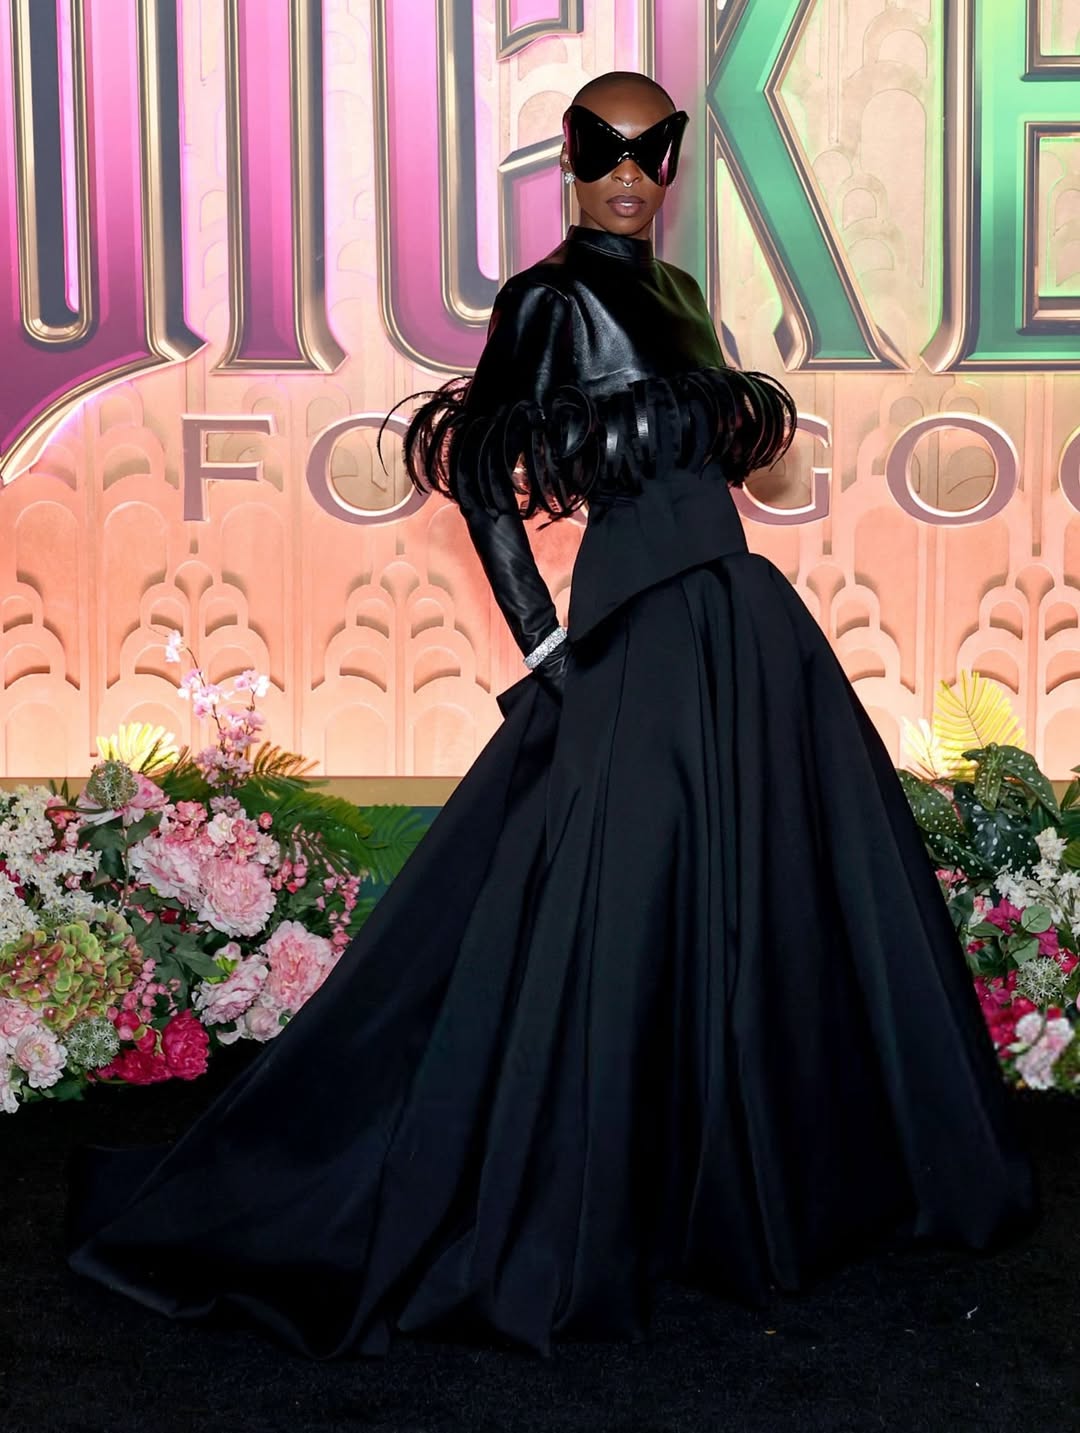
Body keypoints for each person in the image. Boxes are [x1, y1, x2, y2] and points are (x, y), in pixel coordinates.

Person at [66, 71, 1034, 1360]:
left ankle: (735, 1196)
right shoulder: (545, 298)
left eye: (655, 152)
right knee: (615, 911)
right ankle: (571, 1200)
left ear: (675, 165)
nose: (631, 174)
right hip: (636, 639)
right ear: (570, 159)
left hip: (745, 631)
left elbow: (711, 456)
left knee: (752, 906)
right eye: (605, 149)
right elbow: (480, 477)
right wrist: (547, 642)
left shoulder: (681, 295)